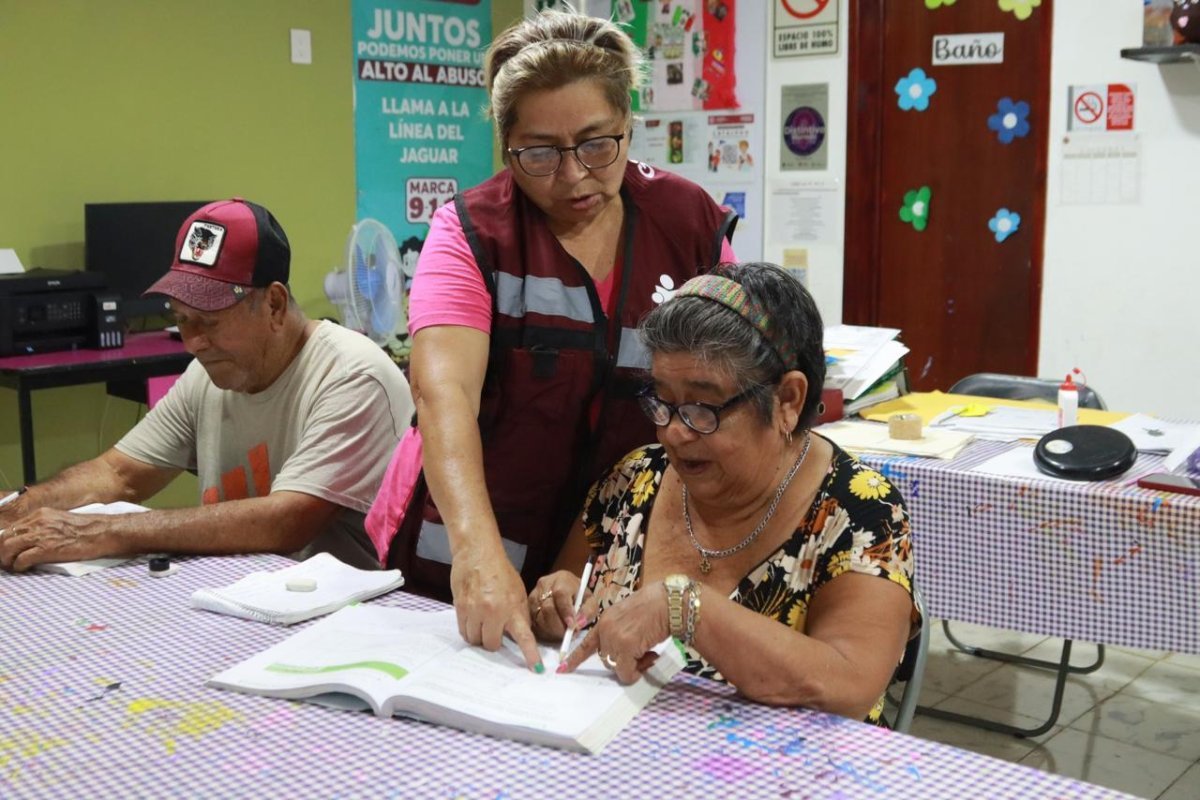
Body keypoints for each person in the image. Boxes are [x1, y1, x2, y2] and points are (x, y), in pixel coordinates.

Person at [365, 8, 737, 671]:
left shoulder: (691, 227)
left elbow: (734, 388)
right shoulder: (472, 233)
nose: (572, 177)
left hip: (604, 553)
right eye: (538, 154)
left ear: (629, 127)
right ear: (506, 146)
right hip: (459, 546)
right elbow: (443, 392)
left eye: (598, 145)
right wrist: (477, 555)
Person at [531, 262, 918, 725]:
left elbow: (851, 685)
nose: (673, 432)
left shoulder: (859, 511)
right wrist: (554, 604)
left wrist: (686, 606)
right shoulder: (634, 479)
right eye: (661, 400)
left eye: (701, 407)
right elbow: (566, 594)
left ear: (788, 400)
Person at [0, 199, 414, 573]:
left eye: (210, 321)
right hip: (237, 599)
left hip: (344, 619)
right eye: (182, 319)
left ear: (273, 304)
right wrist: (19, 509)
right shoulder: (208, 374)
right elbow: (118, 474)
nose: (194, 342)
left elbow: (286, 520)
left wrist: (105, 530)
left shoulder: (353, 375)